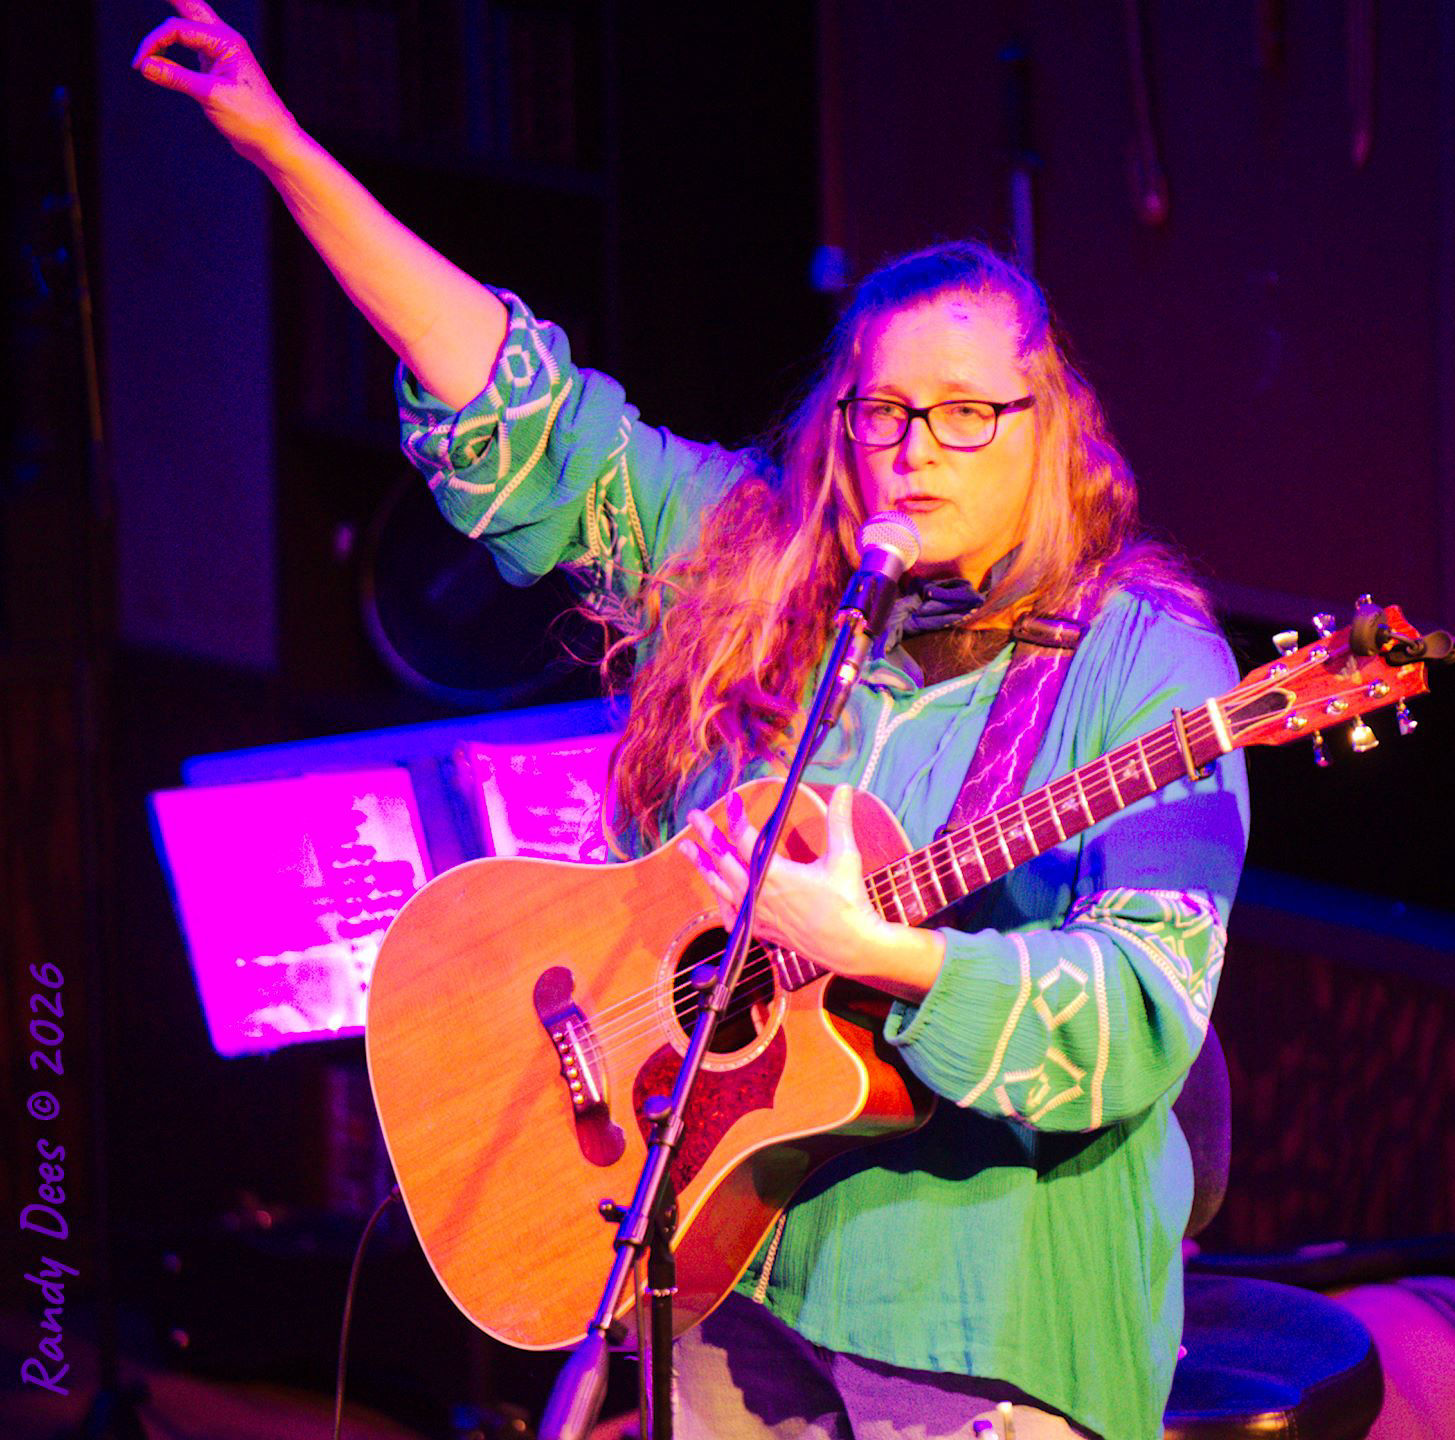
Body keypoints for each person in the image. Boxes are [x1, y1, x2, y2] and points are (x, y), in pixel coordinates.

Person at [135, 3, 1250, 1435]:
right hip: (734, 1267)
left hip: (994, 1310)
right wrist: (282, 149)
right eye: (882, 409)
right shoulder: (757, 558)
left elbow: (1142, 1017)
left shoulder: (1148, 667)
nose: (915, 449)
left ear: (1051, 426)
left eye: (968, 413)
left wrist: (884, 954)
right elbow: (521, 411)